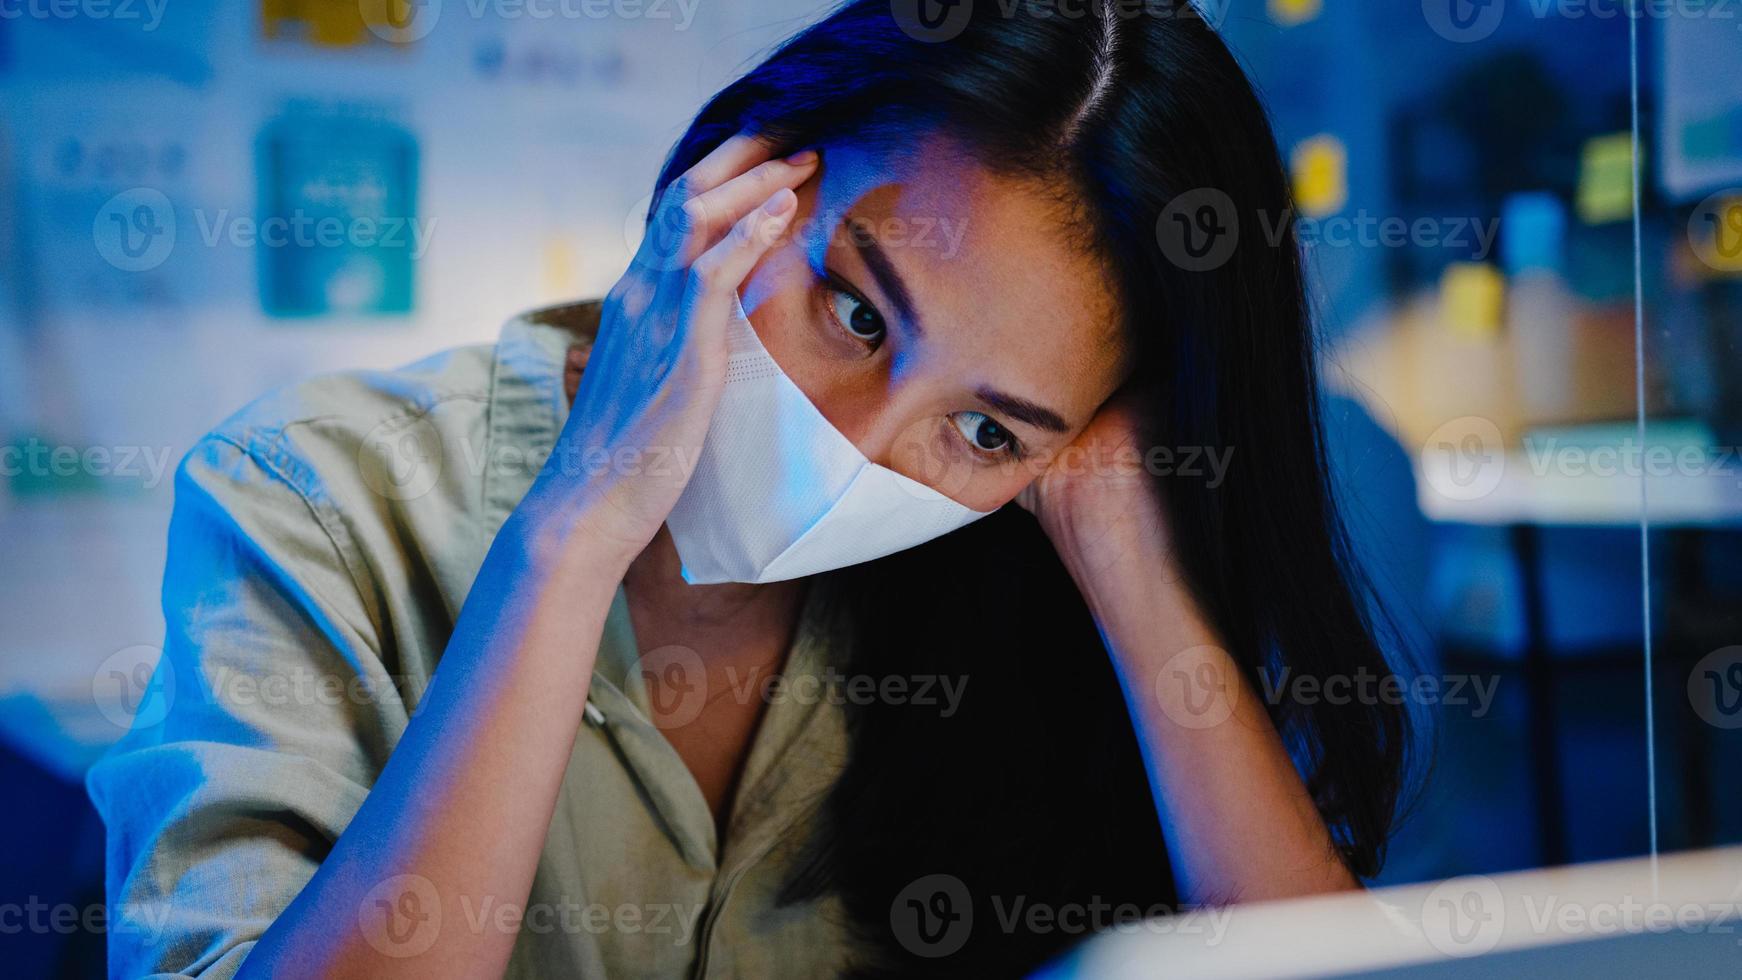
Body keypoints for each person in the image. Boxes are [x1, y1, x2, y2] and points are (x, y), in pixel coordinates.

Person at [89, 2, 1412, 976]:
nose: (860, 443)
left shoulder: (1011, 585)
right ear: (730, 186)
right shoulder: (315, 490)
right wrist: (571, 536)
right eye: (851, 310)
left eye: (984, 430)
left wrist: (1139, 582)